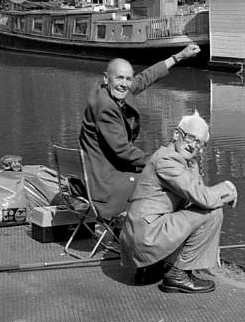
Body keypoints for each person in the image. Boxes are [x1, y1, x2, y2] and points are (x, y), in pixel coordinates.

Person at [79, 43, 200, 220]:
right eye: (120, 78)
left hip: (101, 172)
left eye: (128, 79)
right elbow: (123, 151)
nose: (124, 84)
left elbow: (145, 78)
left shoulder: (109, 92)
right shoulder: (105, 107)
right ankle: (149, 233)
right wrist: (163, 159)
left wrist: (179, 56)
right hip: (105, 184)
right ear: (107, 78)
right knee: (162, 183)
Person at [120, 111, 237, 294]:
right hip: (145, 239)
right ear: (176, 134)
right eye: (190, 138)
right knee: (213, 212)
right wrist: (228, 189)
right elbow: (204, 198)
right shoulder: (168, 161)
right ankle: (178, 275)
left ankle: (149, 268)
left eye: (199, 143)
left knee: (197, 208)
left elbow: (196, 197)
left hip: (141, 236)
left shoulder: (181, 160)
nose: (193, 146)